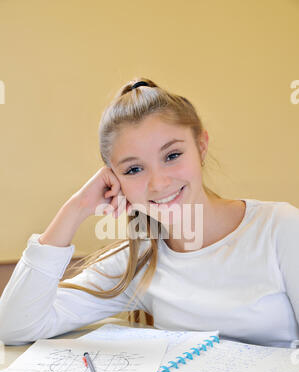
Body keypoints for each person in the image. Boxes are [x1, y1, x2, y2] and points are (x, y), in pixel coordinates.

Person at [0, 77, 298, 348]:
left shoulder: (280, 228)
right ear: (115, 179)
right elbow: (15, 327)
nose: (158, 183)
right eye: (134, 169)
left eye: (172, 155)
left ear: (201, 146)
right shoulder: (140, 259)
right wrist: (76, 208)